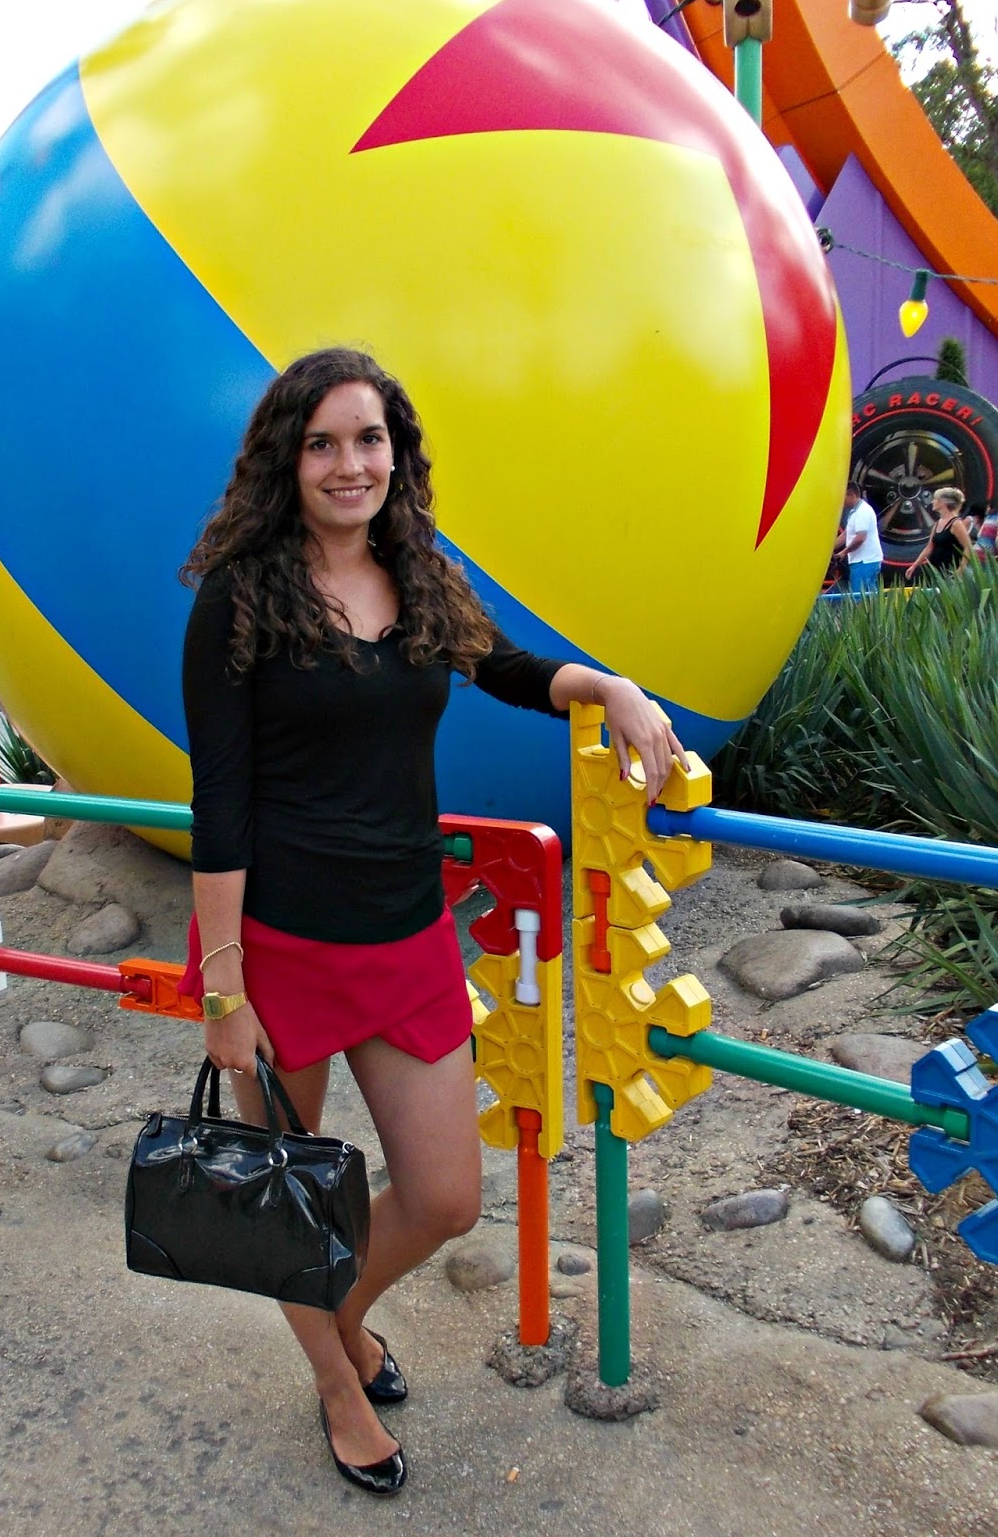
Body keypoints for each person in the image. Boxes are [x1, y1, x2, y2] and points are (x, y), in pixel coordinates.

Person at [177, 348, 686, 1497]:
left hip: (407, 933)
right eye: (321, 442)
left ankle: (336, 1308)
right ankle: (337, 1381)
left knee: (448, 1196)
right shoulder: (238, 596)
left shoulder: (416, 571)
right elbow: (221, 802)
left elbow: (503, 666)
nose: (348, 464)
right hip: (279, 947)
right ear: (284, 458)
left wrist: (608, 687)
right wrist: (224, 989)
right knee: (286, 1196)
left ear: (394, 453)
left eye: (368, 439)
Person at [904, 485, 975, 582]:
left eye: (936, 499)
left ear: (944, 502)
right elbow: (930, 547)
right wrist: (914, 565)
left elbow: (968, 547)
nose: (933, 502)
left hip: (950, 571)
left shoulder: (956, 524)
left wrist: (961, 569)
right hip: (937, 570)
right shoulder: (938, 523)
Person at [832, 481, 883, 596]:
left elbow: (860, 537)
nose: (842, 501)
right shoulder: (854, 512)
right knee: (868, 595)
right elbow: (846, 534)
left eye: (843, 497)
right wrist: (829, 550)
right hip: (861, 561)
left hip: (865, 561)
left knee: (860, 597)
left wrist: (844, 552)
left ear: (851, 495)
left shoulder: (863, 511)